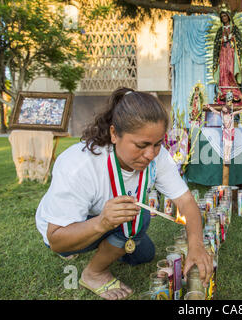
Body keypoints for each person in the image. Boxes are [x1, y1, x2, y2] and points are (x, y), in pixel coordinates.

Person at [35, 88, 213, 300]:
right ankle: (94, 273)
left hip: (109, 219)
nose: (150, 154)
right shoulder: (78, 165)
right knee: (139, 216)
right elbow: (56, 240)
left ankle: (109, 241)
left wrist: (196, 246)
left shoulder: (158, 156)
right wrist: (102, 223)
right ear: (113, 134)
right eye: (141, 145)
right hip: (62, 231)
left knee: (145, 254)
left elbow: (185, 201)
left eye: (157, 144)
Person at [207, 91, 242, 164]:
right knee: (226, 144)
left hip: (231, 131)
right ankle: (226, 157)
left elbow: (240, 111)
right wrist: (209, 107)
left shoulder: (232, 114)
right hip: (225, 131)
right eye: (224, 109)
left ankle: (227, 157)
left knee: (230, 145)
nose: (225, 110)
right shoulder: (221, 115)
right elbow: (215, 111)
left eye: (226, 109)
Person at [213, 9, 242, 104]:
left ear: (229, 16)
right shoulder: (220, 30)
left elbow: (240, 44)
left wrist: (233, 40)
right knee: (223, 71)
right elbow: (216, 45)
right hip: (223, 53)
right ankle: (223, 91)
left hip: (231, 53)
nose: (224, 18)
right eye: (222, 17)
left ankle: (234, 91)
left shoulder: (234, 29)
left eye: (225, 16)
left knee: (230, 70)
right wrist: (221, 40)